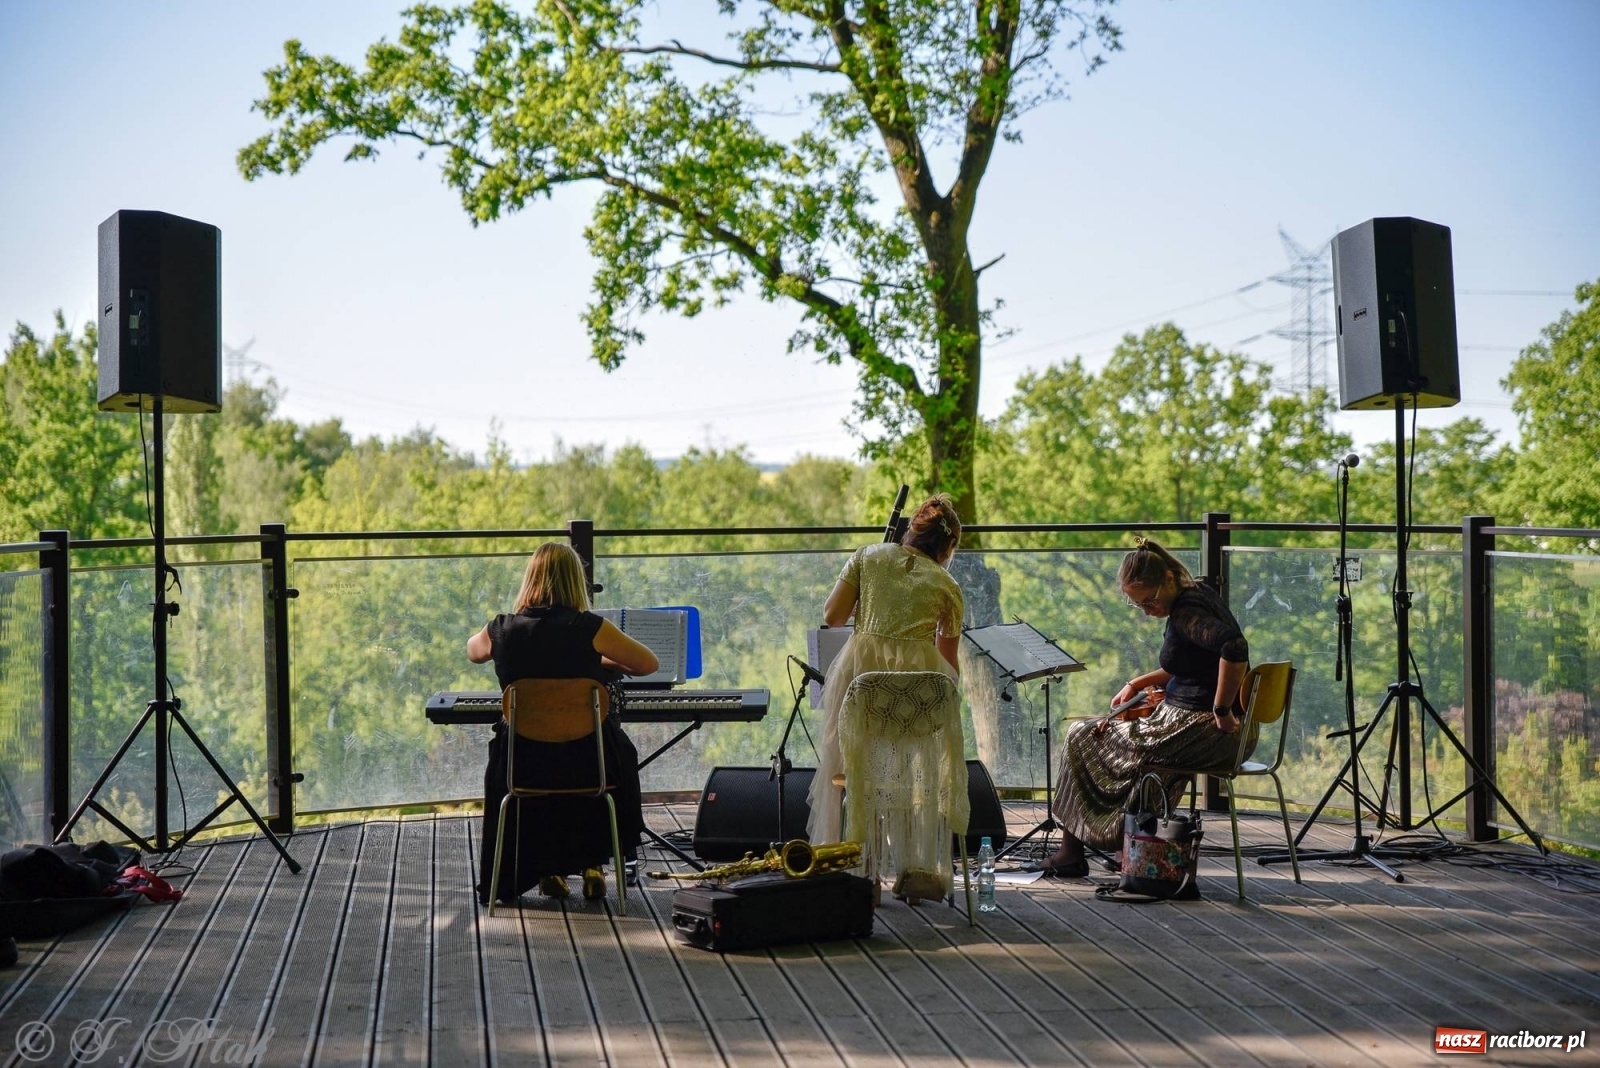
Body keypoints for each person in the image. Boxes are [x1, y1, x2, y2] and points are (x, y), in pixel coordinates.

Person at [1044, 536, 1254, 877]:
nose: (1147, 610)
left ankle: (1075, 850)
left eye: (1150, 601)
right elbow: (1187, 663)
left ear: (1169, 579)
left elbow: (1234, 646)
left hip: (1205, 729)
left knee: (1081, 734)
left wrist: (1221, 709)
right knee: (1122, 748)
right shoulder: (1196, 594)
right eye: (1137, 605)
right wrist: (1137, 683)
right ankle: (1123, 847)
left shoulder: (1186, 612)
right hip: (1204, 728)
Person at [467, 543, 659, 906]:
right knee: (615, 751)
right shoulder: (590, 628)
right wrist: (600, 662)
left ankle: (547, 870)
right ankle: (591, 865)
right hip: (588, 764)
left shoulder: (501, 629)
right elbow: (648, 664)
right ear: (576, 582)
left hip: (522, 764)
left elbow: (472, 651)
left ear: (530, 579)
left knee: (525, 764)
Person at [807, 493, 965, 848]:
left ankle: (858, 865)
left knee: (852, 765)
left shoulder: (867, 556)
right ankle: (913, 864)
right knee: (907, 767)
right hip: (916, 689)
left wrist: (866, 596)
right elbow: (949, 668)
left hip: (860, 677)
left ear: (913, 528)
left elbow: (832, 617)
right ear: (948, 545)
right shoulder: (948, 586)